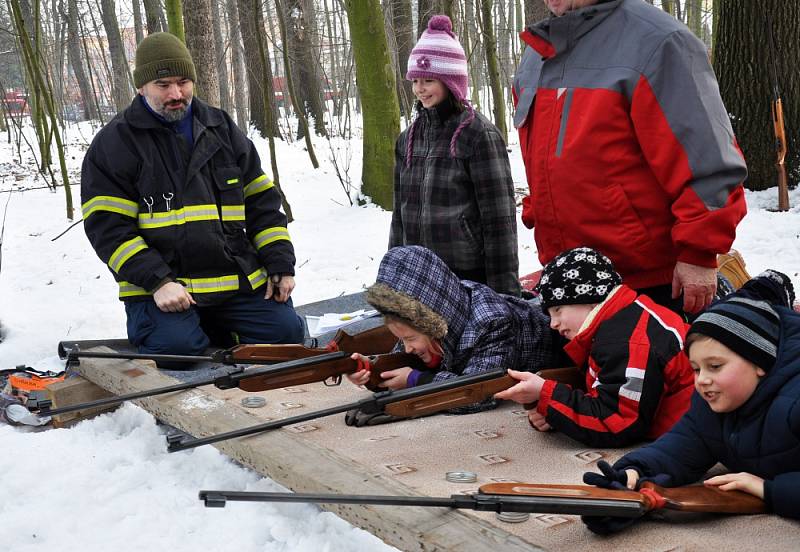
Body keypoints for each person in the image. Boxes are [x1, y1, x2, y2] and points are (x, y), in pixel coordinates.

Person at [513, 0, 748, 315]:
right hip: (570, 279)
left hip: (649, 282)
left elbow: (708, 159)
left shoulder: (659, 42)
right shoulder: (537, 52)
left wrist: (698, 253)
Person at [81, 32, 303, 358]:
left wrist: (280, 262)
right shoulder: (115, 143)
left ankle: (208, 326)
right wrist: (158, 282)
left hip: (234, 282)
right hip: (163, 288)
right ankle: (191, 329)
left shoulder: (221, 128)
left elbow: (262, 203)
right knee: (177, 350)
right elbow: (108, 230)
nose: (176, 93)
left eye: (183, 82)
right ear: (141, 86)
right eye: (163, 85)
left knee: (287, 334)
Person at [581, 289, 800, 533]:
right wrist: (630, 475)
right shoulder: (711, 404)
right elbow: (678, 449)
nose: (702, 380)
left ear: (759, 362)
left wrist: (768, 490)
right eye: (696, 369)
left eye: (715, 366)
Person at [495, 247, 695, 447]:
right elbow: (606, 389)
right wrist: (553, 410)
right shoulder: (627, 319)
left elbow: (616, 423)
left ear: (589, 301)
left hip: (695, 432)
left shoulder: (626, 341)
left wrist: (545, 393)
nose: (552, 324)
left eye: (558, 310)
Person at [344, 245, 561, 426]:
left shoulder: (493, 322)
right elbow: (401, 362)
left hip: (565, 354)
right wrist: (372, 372)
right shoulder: (433, 320)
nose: (407, 348)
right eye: (402, 340)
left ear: (433, 324)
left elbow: (478, 393)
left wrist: (416, 380)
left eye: (410, 339)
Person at [391, 15, 520, 296]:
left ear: (451, 82)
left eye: (428, 80)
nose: (419, 89)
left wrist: (505, 296)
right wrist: (394, 275)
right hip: (419, 276)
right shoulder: (408, 139)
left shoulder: (478, 135)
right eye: (415, 81)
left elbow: (500, 221)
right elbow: (399, 217)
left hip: (468, 277)